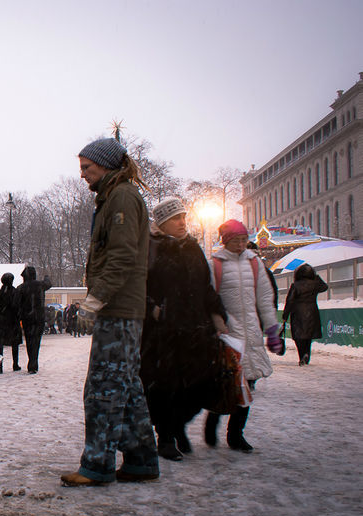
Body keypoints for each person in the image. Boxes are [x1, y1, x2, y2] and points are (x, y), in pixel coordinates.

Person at [61, 138, 159, 487]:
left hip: (119, 308)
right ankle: (141, 458)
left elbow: (121, 256)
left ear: (106, 165)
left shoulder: (120, 198)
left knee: (103, 387)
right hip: (124, 308)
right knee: (127, 385)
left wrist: (95, 299)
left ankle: (98, 465)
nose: (83, 175)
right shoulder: (115, 197)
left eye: (88, 168)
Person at [139, 197, 228, 461]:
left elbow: (205, 286)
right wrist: (153, 309)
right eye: (176, 218)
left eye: (183, 217)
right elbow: (138, 286)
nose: (182, 222)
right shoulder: (151, 248)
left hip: (196, 330)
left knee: (197, 385)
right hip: (163, 333)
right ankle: (165, 437)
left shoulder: (192, 248)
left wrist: (217, 317)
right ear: (163, 222)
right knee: (164, 386)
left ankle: (177, 425)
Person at [204, 219, 283, 453]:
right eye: (236, 240)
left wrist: (271, 329)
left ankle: (236, 434)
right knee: (226, 384)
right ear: (225, 241)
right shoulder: (215, 264)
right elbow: (208, 299)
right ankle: (214, 419)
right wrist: (216, 326)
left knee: (247, 384)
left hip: (251, 332)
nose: (241, 245)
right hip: (227, 333)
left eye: (243, 240)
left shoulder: (255, 263)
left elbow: (265, 299)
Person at [282, 263, 328, 366]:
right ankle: (306, 354)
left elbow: (290, 300)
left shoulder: (295, 285)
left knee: (298, 337)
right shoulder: (315, 284)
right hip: (312, 311)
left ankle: (302, 355)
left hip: (298, 313)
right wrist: (317, 278)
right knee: (308, 337)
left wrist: (285, 315)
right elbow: (324, 287)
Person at [16, 266, 46, 374]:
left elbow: (17, 304)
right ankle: (34, 363)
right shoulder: (40, 285)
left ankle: (31, 362)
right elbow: (49, 283)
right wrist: (46, 277)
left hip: (27, 317)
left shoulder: (21, 288)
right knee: (37, 340)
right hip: (39, 317)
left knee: (29, 340)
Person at [0, 272, 22, 374]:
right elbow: (17, 307)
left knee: (0, 344)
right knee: (14, 344)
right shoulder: (15, 292)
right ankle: (15, 364)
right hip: (12, 321)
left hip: (1, 321)